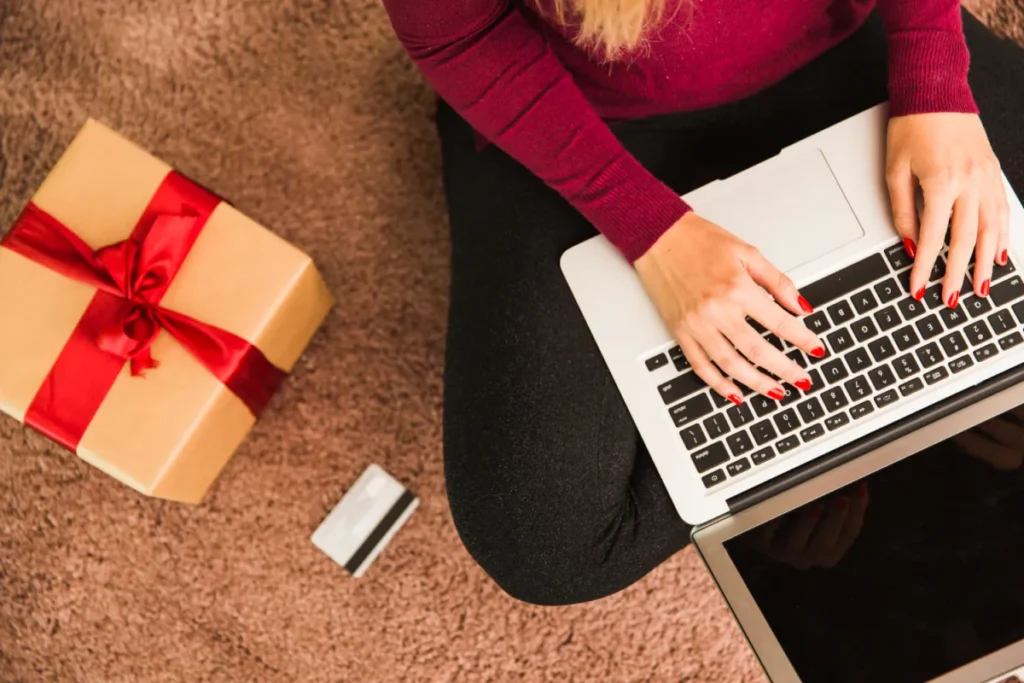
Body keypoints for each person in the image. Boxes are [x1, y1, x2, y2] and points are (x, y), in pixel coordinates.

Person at [379, 0, 1024, 605]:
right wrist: (647, 228)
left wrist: (934, 70)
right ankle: (847, 424)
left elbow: (934, 64)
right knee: (544, 540)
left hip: (853, 39)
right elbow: (461, 32)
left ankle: (819, 436)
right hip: (587, 109)